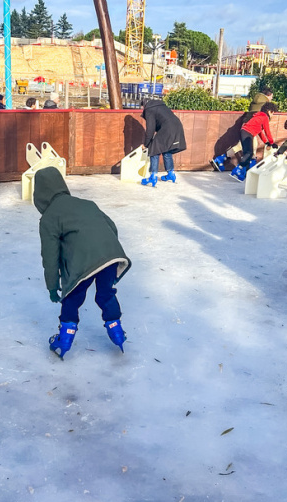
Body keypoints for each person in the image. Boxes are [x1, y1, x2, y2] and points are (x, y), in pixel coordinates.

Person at [34, 166, 131, 359]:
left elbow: (50, 256)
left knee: (72, 296)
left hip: (82, 262)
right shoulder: (87, 203)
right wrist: (111, 263)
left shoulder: (49, 218)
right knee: (106, 295)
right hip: (110, 255)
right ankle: (117, 332)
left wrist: (53, 287)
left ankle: (64, 339)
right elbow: (111, 227)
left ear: (40, 193)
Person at [139, 99, 187, 187]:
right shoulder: (161, 106)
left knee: (154, 149)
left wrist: (145, 144)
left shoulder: (149, 109)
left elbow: (150, 130)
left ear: (144, 106)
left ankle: (153, 176)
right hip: (177, 126)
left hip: (168, 128)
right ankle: (171, 174)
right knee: (167, 150)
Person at [229, 102, 278, 182]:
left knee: (247, 154)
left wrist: (266, 142)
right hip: (248, 133)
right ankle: (238, 169)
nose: (272, 115)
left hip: (245, 132)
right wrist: (272, 142)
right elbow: (267, 131)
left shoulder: (259, 116)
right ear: (269, 111)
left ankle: (243, 174)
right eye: (273, 112)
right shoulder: (265, 117)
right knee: (249, 153)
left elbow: (260, 132)